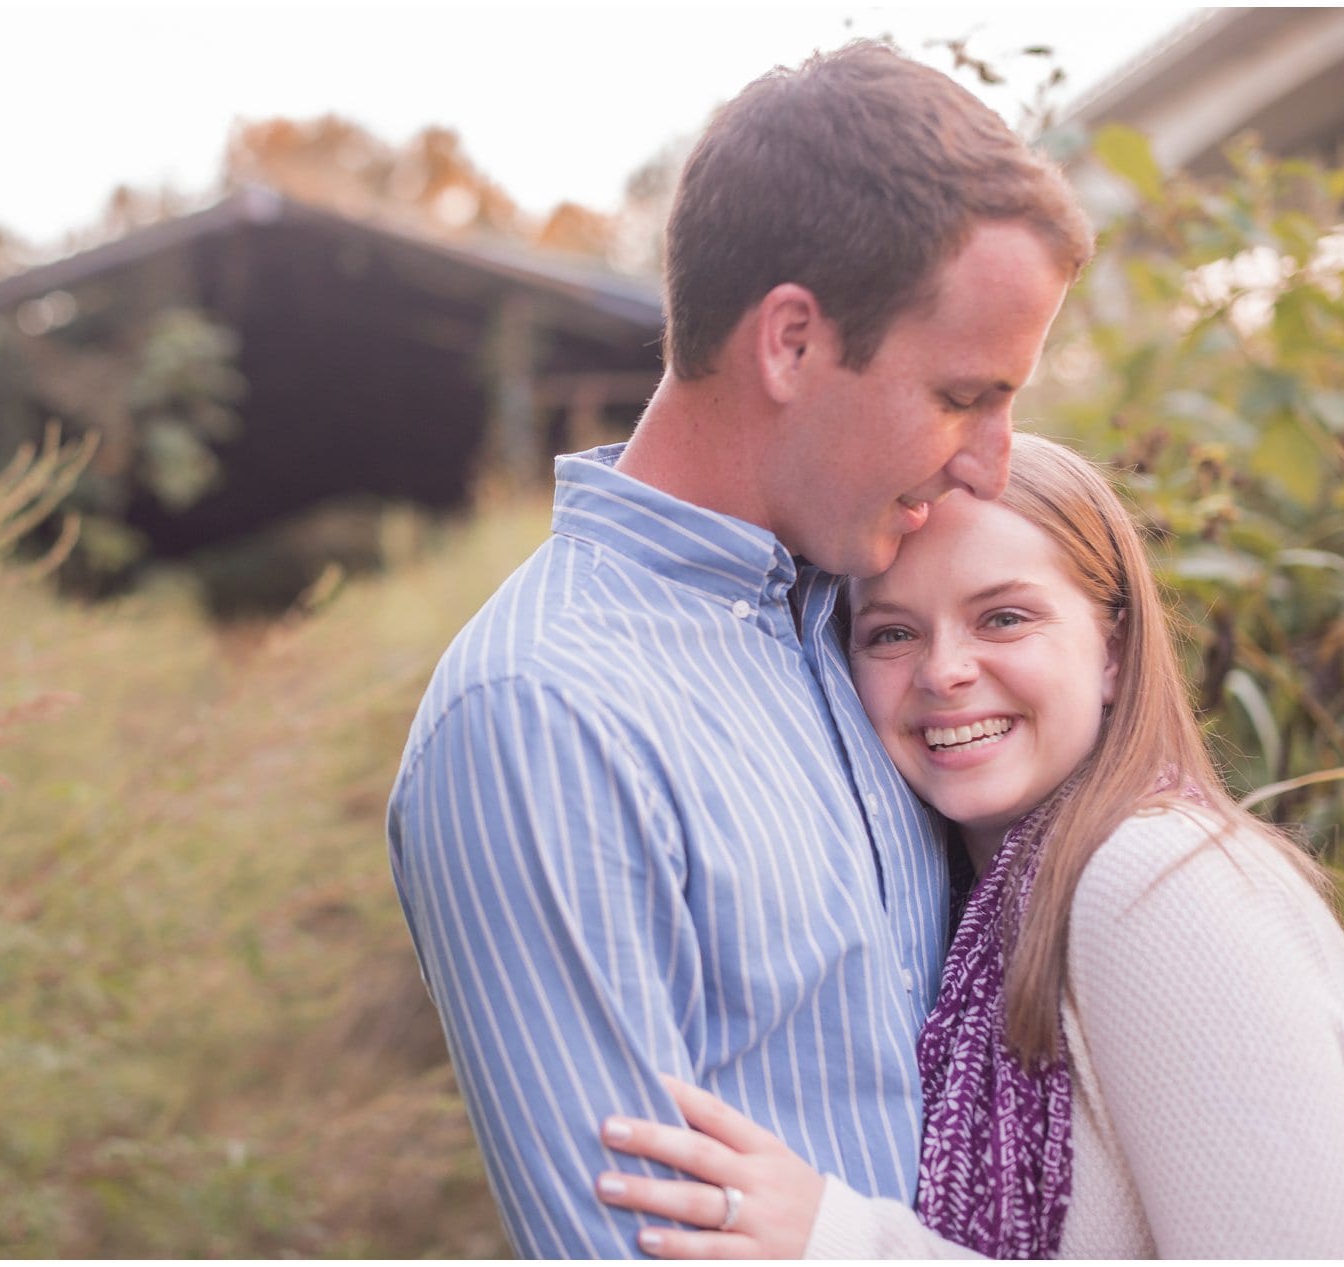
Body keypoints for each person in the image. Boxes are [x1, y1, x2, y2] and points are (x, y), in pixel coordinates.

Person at [386, 41, 1093, 1257]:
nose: (989, 460)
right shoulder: (543, 715)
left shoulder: (865, 616)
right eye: (964, 395)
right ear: (792, 343)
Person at [591, 433, 1344, 1258]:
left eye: (1004, 616)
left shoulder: (1159, 883)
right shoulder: (973, 908)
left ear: (1112, 650)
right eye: (891, 634)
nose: (945, 671)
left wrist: (843, 1240)